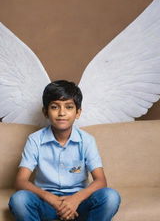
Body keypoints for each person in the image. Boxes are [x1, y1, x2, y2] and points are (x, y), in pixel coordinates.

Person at [8, 80, 121, 221]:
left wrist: (75, 200)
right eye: (55, 107)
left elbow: (101, 181)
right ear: (45, 112)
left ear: (78, 112)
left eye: (69, 107)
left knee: (111, 197)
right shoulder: (35, 139)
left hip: (78, 204)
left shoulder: (87, 140)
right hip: (47, 203)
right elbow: (20, 181)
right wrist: (52, 199)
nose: (62, 113)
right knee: (19, 199)